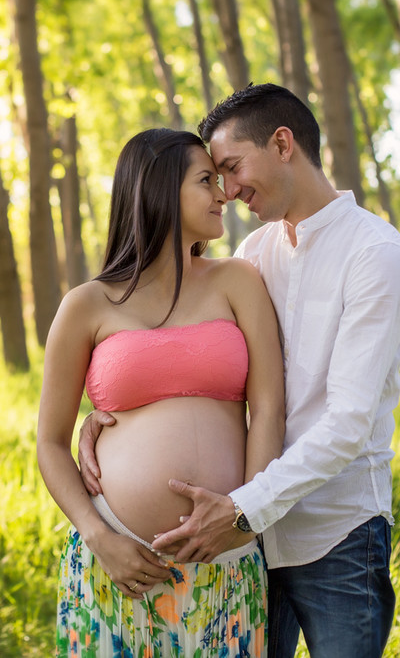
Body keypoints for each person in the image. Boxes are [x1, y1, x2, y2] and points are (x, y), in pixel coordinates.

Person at [80, 84, 400, 658]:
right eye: (216, 177)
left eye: (233, 168)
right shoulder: (256, 254)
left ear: (283, 144)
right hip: (244, 544)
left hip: (332, 532)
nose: (229, 191)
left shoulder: (374, 255)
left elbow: (348, 424)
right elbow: (203, 366)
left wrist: (243, 511)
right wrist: (111, 420)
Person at [36, 127, 286, 656]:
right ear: (158, 191)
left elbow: (268, 409)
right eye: (206, 181)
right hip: (118, 565)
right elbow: (51, 443)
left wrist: (245, 520)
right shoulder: (86, 305)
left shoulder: (237, 281)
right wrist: (99, 538)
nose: (224, 194)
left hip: (225, 561)